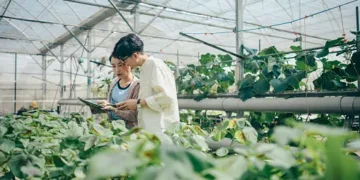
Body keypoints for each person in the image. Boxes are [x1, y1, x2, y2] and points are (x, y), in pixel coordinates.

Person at [112, 33, 180, 136]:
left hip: (162, 128)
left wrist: (138, 102)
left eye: (125, 60)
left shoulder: (155, 65)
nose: (126, 64)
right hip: (152, 128)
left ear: (135, 55)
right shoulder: (145, 67)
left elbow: (167, 97)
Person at [97, 55, 140, 129]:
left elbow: (135, 115)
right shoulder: (114, 83)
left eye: (120, 65)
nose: (117, 70)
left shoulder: (137, 85)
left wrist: (114, 110)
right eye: (113, 66)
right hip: (112, 128)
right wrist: (105, 105)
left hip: (128, 132)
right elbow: (111, 104)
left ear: (130, 64)